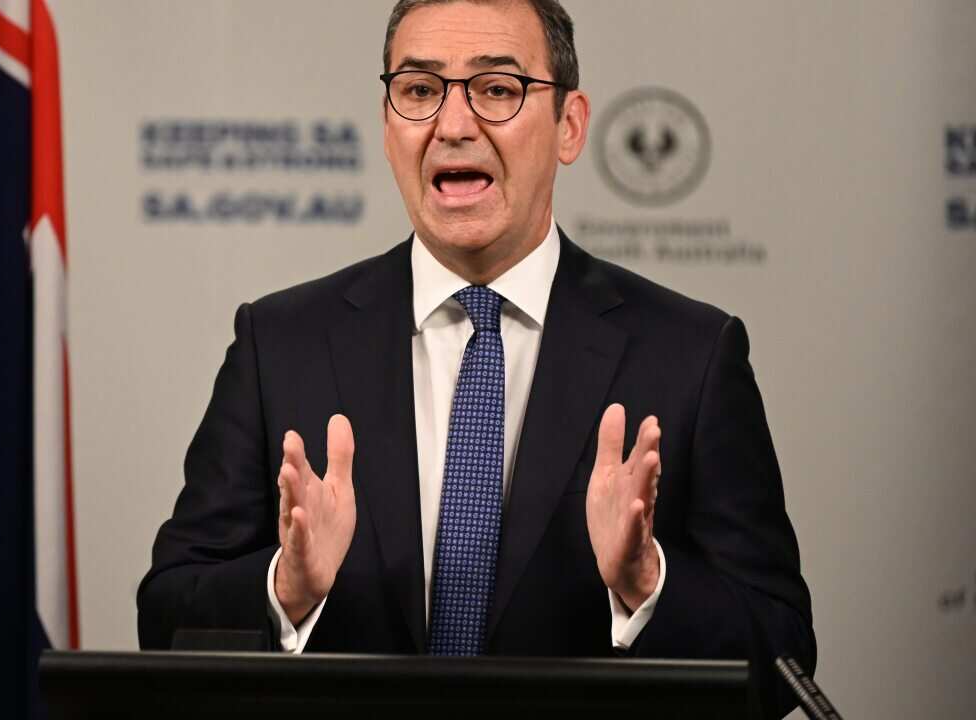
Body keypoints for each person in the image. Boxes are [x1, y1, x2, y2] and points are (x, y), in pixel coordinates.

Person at [138, 0, 815, 716]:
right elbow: (165, 618)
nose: (454, 126)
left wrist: (649, 582)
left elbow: (782, 656)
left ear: (570, 126)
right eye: (420, 90)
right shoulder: (279, 344)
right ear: (387, 122)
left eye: (497, 89)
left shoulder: (690, 356)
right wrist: (287, 589)